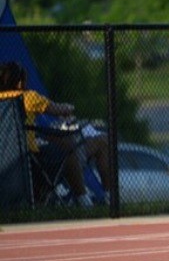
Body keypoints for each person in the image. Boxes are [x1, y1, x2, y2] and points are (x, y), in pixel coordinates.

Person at [0, 61, 110, 206]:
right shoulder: (27, 97)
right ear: (20, 82)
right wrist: (69, 108)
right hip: (32, 157)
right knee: (67, 146)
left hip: (7, 161)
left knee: (56, 141)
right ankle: (87, 199)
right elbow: (60, 109)